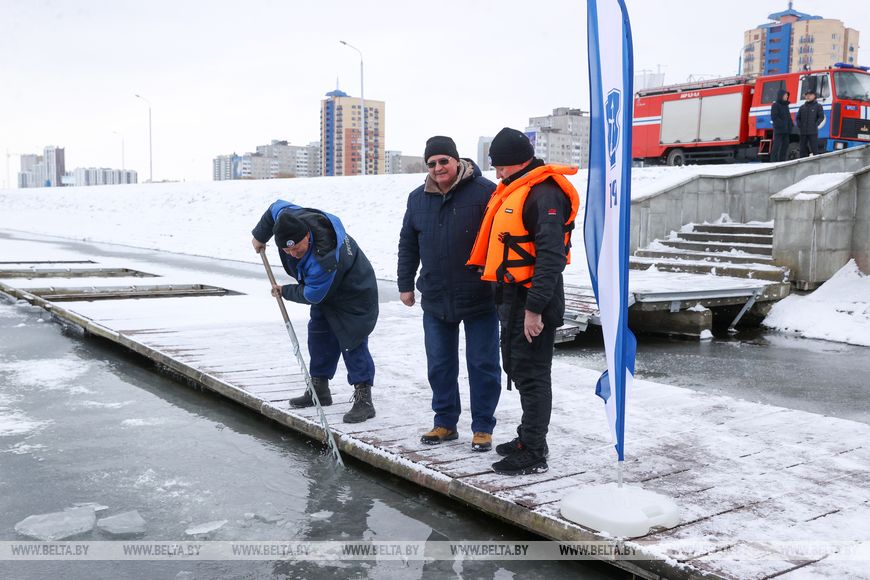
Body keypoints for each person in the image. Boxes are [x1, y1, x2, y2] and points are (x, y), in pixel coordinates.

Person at [467, 127, 579, 476]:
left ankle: (533, 451)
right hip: (513, 297)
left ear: (514, 162)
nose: (496, 174)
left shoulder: (543, 195)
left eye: (499, 166)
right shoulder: (520, 188)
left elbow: (550, 257)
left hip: (534, 300)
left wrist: (534, 309)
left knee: (532, 376)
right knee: (517, 367)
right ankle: (527, 437)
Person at [397, 136, 502, 452]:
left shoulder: (486, 192)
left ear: (457, 161)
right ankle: (445, 422)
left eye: (443, 161)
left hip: (480, 295)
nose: (438, 167)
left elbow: (502, 239)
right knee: (439, 364)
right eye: (432, 163)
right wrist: (405, 284)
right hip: (436, 296)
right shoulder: (417, 199)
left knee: (482, 364)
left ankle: (483, 426)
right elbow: (408, 244)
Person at [251, 200, 378, 423]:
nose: (292, 253)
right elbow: (275, 207)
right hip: (326, 286)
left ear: (307, 236)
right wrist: (260, 235)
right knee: (319, 334)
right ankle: (319, 389)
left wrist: (285, 291)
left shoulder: (323, 259)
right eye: (286, 249)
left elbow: (312, 295)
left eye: (296, 247)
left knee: (351, 339)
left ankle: (364, 399)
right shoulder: (289, 216)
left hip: (353, 291)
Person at [796, 89, 825, 158]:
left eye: (810, 95)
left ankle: (816, 163)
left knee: (814, 150)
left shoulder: (818, 106)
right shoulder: (802, 107)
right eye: (806, 95)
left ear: (814, 96)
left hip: (813, 132)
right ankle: (802, 163)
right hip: (803, 132)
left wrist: (815, 124)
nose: (808, 96)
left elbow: (821, 117)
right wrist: (799, 125)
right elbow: (797, 118)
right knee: (802, 150)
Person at [770, 89, 794, 162]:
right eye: (785, 95)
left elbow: (788, 117)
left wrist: (791, 125)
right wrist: (782, 125)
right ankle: (773, 161)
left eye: (787, 95)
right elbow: (774, 117)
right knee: (776, 146)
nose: (786, 96)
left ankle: (782, 161)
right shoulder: (775, 105)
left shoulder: (786, 106)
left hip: (786, 130)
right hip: (779, 130)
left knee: (785, 146)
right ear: (781, 96)